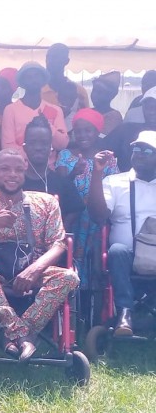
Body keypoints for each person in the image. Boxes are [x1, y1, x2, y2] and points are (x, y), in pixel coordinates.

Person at [0, 149, 79, 360]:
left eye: (18, 170)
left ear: (25, 171)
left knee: (69, 277)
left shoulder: (46, 202)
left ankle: (14, 332)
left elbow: (59, 244)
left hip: (35, 265)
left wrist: (35, 270)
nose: (13, 174)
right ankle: (21, 334)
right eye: (5, 169)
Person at [87, 131, 156, 336]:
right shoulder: (115, 182)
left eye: (147, 151)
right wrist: (97, 173)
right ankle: (125, 314)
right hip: (126, 257)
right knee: (116, 250)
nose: (140, 153)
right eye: (137, 148)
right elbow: (98, 216)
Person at [56, 109, 118, 288]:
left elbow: (113, 189)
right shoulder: (65, 155)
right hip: (71, 219)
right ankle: (72, 297)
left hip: (95, 221)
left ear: (97, 131)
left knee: (96, 263)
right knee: (69, 260)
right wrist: (73, 173)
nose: (82, 135)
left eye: (88, 130)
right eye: (78, 131)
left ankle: (93, 299)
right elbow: (60, 188)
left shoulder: (108, 159)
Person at [22, 114, 85, 233]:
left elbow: (76, 209)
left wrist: (60, 229)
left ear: (51, 148)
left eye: (44, 143)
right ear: (24, 147)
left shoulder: (63, 184)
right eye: (33, 142)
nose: (38, 147)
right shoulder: (15, 183)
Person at [2, 61, 69, 166]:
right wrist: (35, 157)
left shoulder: (55, 110)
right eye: (28, 77)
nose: (33, 80)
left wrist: (48, 125)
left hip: (48, 170)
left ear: (43, 80)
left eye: (37, 76)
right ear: (22, 82)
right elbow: (7, 147)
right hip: (20, 168)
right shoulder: (10, 110)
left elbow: (62, 144)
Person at [102, 87, 156, 171]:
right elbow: (101, 150)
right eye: (147, 107)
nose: (151, 112)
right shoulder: (126, 130)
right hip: (127, 178)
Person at [41, 43, 90, 110]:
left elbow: (86, 115)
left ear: (66, 61)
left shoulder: (79, 91)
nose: (50, 61)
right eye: (48, 57)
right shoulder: (36, 90)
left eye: (56, 57)